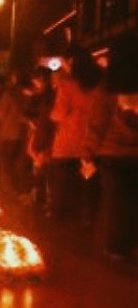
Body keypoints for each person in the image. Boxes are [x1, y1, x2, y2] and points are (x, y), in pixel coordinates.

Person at [85, 33, 138, 263]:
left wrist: (88, 152)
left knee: (116, 203)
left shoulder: (107, 86)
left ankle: (117, 247)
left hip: (113, 152)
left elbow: (97, 122)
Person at [49, 48, 102, 223]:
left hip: (66, 145)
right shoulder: (100, 87)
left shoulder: (67, 86)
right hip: (89, 145)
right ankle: (87, 218)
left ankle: (59, 215)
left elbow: (59, 113)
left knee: (61, 183)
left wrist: (52, 115)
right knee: (87, 182)